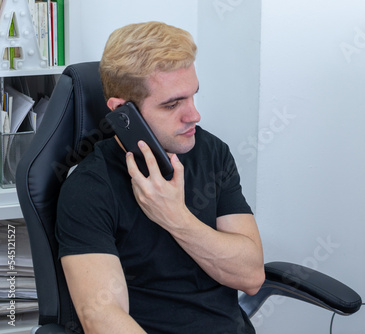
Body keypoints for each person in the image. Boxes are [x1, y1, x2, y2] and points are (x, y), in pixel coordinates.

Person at [56, 21, 265, 334]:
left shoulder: (211, 153)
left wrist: (175, 217)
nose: (194, 115)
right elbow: (102, 317)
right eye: (173, 104)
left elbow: (250, 276)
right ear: (122, 112)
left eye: (193, 96)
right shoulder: (89, 188)